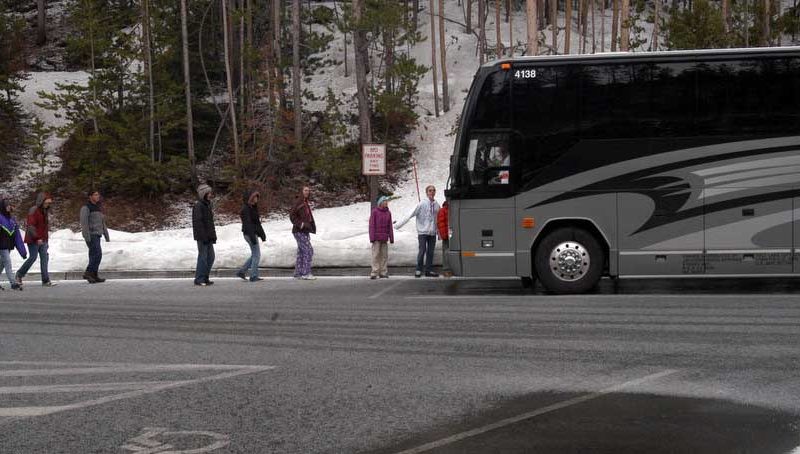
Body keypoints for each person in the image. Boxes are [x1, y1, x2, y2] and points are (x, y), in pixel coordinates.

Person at [395, 185, 440, 278]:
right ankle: (418, 269)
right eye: (430, 190)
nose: (432, 192)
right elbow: (410, 214)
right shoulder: (422, 204)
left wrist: (438, 231)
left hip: (432, 233)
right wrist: (397, 226)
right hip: (423, 232)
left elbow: (438, 219)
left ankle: (429, 270)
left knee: (430, 252)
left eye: (433, 190)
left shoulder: (436, 205)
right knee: (422, 250)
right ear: (426, 193)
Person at [16, 192, 56, 287]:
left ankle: (45, 280)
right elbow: (31, 225)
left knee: (45, 258)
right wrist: (37, 238)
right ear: (41, 201)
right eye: (46, 203)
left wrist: (45, 239)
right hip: (34, 239)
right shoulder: (34, 210)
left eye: (49, 204)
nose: (47, 205)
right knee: (33, 257)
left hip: (43, 239)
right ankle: (19, 274)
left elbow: (44, 227)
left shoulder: (45, 211)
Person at [79, 190, 110, 284]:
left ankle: (94, 274)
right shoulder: (86, 208)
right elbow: (84, 223)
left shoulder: (98, 207)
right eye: (95, 195)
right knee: (95, 254)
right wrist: (86, 236)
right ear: (90, 196)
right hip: (91, 235)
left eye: (98, 195)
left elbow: (102, 222)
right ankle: (88, 273)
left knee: (97, 255)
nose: (98, 196)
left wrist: (106, 234)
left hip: (98, 234)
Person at [237, 190, 266, 282]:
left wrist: (262, 234)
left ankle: (241, 271)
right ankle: (253, 276)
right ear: (251, 198)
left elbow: (257, 223)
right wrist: (253, 237)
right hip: (249, 234)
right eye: (255, 197)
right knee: (257, 255)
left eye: (257, 196)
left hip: (252, 233)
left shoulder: (253, 208)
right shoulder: (246, 209)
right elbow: (248, 224)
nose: (257, 198)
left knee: (254, 254)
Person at [289, 186, 316, 280]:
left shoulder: (305, 202)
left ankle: (298, 273)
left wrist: (310, 226)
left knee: (301, 252)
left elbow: (308, 217)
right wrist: (301, 224)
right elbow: (292, 216)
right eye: (305, 190)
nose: (307, 192)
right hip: (299, 231)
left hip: (304, 231)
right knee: (308, 250)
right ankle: (305, 273)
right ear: (301, 191)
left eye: (308, 190)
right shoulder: (298, 202)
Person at [193, 183, 217, 286]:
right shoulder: (199, 205)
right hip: (202, 237)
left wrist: (213, 236)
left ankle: (205, 277)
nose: (210, 194)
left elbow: (210, 223)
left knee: (211, 257)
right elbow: (198, 223)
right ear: (204, 194)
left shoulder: (207, 205)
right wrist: (203, 237)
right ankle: (199, 279)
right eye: (208, 193)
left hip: (208, 237)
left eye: (210, 192)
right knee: (203, 257)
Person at [0, 199, 27, 291]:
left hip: (8, 247)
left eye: (9, 205)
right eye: (6, 205)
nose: (8, 207)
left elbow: (17, 237)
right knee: (7, 262)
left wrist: (22, 251)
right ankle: (13, 283)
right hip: (2, 246)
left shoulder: (12, 220)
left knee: (2, 264)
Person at [368, 195, 394, 279]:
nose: (386, 202)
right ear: (380, 202)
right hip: (376, 237)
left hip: (384, 237)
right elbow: (371, 225)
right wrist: (372, 237)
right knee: (375, 255)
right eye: (384, 201)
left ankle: (383, 272)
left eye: (387, 201)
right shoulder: (375, 212)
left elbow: (390, 226)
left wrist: (391, 237)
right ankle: (374, 272)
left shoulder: (388, 213)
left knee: (384, 255)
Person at [437, 200, 451, 278]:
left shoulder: (452, 209)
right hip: (446, 235)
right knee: (446, 251)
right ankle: (446, 270)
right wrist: (444, 235)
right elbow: (441, 223)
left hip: (452, 234)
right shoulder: (443, 210)